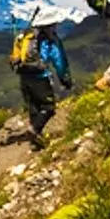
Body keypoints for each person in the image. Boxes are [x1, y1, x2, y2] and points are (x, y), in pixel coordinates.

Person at [10, 16, 72, 146]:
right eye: (54, 24)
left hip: (24, 77)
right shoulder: (49, 40)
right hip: (41, 78)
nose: (56, 27)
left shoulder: (26, 36)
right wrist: (64, 79)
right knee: (48, 107)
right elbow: (58, 60)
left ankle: (36, 142)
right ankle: (34, 131)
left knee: (34, 108)